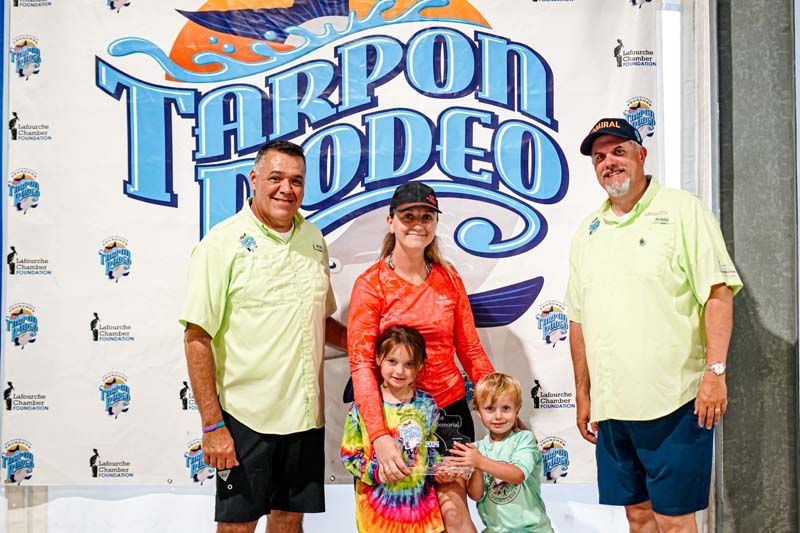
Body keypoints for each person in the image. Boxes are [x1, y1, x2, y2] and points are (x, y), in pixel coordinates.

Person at [565, 118, 742, 532]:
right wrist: (584, 392)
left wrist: (715, 373)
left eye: (618, 151)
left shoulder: (683, 211)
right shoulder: (587, 232)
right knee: (638, 515)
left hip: (675, 401)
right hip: (613, 406)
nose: (609, 162)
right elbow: (578, 318)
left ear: (642, 155)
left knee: (674, 519)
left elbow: (718, 293)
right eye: (599, 157)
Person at [180, 140, 347, 533]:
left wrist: (377, 346)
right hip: (245, 418)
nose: (285, 189)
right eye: (275, 178)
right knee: (238, 526)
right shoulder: (220, 245)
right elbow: (196, 336)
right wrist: (211, 425)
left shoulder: (314, 240)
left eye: (296, 180)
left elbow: (322, 322)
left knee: (289, 521)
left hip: (306, 416)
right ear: (253, 179)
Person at [347, 182, 494, 533]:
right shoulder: (371, 284)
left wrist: (497, 402)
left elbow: (471, 349)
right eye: (408, 216)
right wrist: (380, 436)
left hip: (447, 411)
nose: (417, 224)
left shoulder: (449, 278)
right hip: (393, 416)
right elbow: (362, 366)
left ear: (435, 222)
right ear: (391, 221)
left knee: (453, 512)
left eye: (426, 216)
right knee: (396, 521)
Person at [341, 325, 444, 533]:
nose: (399, 371)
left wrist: (438, 467)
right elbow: (349, 456)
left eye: (409, 364)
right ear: (378, 358)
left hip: (422, 512)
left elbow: (431, 442)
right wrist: (377, 472)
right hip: (378, 517)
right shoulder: (363, 407)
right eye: (392, 361)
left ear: (420, 366)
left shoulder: (427, 404)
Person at [450, 373, 553, 533]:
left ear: (517, 409)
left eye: (506, 408)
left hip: (532, 530)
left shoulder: (524, 439)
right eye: (490, 409)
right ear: (478, 412)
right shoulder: (478, 449)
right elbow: (476, 495)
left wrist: (480, 462)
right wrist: (476, 467)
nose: (498, 416)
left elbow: (517, 475)